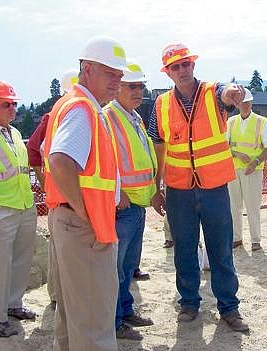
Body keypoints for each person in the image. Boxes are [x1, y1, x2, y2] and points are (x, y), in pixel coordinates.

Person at [147, 43, 249, 332]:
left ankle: (229, 307)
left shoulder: (213, 93)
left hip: (214, 188)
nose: (181, 70)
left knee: (221, 250)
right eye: (175, 67)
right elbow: (158, 146)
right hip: (179, 190)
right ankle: (189, 303)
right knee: (184, 250)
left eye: (185, 64)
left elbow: (227, 92)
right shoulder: (161, 104)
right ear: (167, 72)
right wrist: (157, 187)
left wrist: (233, 93)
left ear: (193, 65)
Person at [43, 36, 128, 351]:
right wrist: (83, 211)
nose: (117, 83)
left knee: (72, 316)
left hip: (68, 221)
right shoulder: (83, 109)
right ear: (87, 69)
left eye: (120, 77)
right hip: (83, 226)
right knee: (93, 322)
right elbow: (60, 161)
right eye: (111, 74)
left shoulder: (73, 104)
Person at [102, 60, 155, 340]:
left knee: (126, 268)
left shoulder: (133, 116)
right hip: (123, 206)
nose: (138, 91)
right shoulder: (109, 116)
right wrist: (117, 193)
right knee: (116, 269)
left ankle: (125, 310)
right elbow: (106, 159)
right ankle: (115, 321)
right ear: (118, 87)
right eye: (132, 86)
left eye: (141, 86)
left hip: (137, 203)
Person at [0, 80, 37, 337]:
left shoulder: (14, 133)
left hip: (23, 204)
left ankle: (14, 304)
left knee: (22, 259)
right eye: (6, 104)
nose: (12, 108)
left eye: (14, 103)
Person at [26, 68, 79, 306]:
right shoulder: (57, 116)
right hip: (61, 199)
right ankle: (58, 295)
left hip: (65, 196)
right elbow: (34, 152)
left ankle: (61, 295)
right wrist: (48, 183)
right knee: (59, 251)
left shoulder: (66, 113)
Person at [227, 88, 267, 251]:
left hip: (253, 171)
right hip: (233, 170)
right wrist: (237, 153)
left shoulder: (261, 121)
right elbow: (225, 147)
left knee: (253, 206)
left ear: (252, 103)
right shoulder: (231, 122)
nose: (246, 105)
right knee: (234, 206)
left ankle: (255, 240)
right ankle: (236, 237)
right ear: (237, 104)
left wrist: (255, 162)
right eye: (242, 102)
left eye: (248, 102)